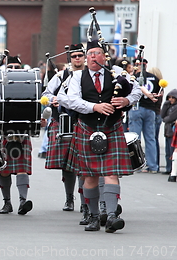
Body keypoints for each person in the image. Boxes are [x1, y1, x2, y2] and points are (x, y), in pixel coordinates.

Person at [64, 40, 141, 233]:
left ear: (104, 56)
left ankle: (113, 215)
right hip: (87, 128)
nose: (91, 57)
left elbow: (137, 90)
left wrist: (126, 100)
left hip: (112, 128)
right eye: (89, 53)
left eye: (96, 53)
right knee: (89, 176)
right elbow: (72, 100)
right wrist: (94, 107)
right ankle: (94, 216)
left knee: (111, 174)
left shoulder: (116, 72)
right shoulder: (77, 76)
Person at [43, 43, 85, 213]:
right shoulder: (61, 76)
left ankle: (86, 200)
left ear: (85, 57)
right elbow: (45, 94)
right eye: (74, 56)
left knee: (85, 163)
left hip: (84, 121)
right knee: (68, 165)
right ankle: (69, 198)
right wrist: (53, 98)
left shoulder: (90, 75)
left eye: (80, 55)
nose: (77, 59)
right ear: (70, 58)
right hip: (63, 122)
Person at [0, 55, 33, 216]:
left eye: (16, 67)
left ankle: (23, 201)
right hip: (5, 131)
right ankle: (7, 203)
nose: (13, 69)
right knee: (4, 169)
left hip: (23, 131)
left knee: (22, 168)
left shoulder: (29, 84)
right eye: (10, 66)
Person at [129, 58, 161, 173]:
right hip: (150, 109)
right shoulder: (155, 78)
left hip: (136, 108)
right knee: (150, 138)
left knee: (134, 138)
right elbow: (158, 93)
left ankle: (136, 164)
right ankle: (153, 166)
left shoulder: (133, 77)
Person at [161, 89, 177, 180]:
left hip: (173, 131)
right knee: (167, 151)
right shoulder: (168, 105)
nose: (171, 99)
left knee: (172, 152)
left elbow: (170, 118)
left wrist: (166, 119)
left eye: (173, 97)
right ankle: (168, 168)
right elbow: (162, 115)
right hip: (167, 130)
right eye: (169, 97)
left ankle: (172, 169)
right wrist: (165, 104)